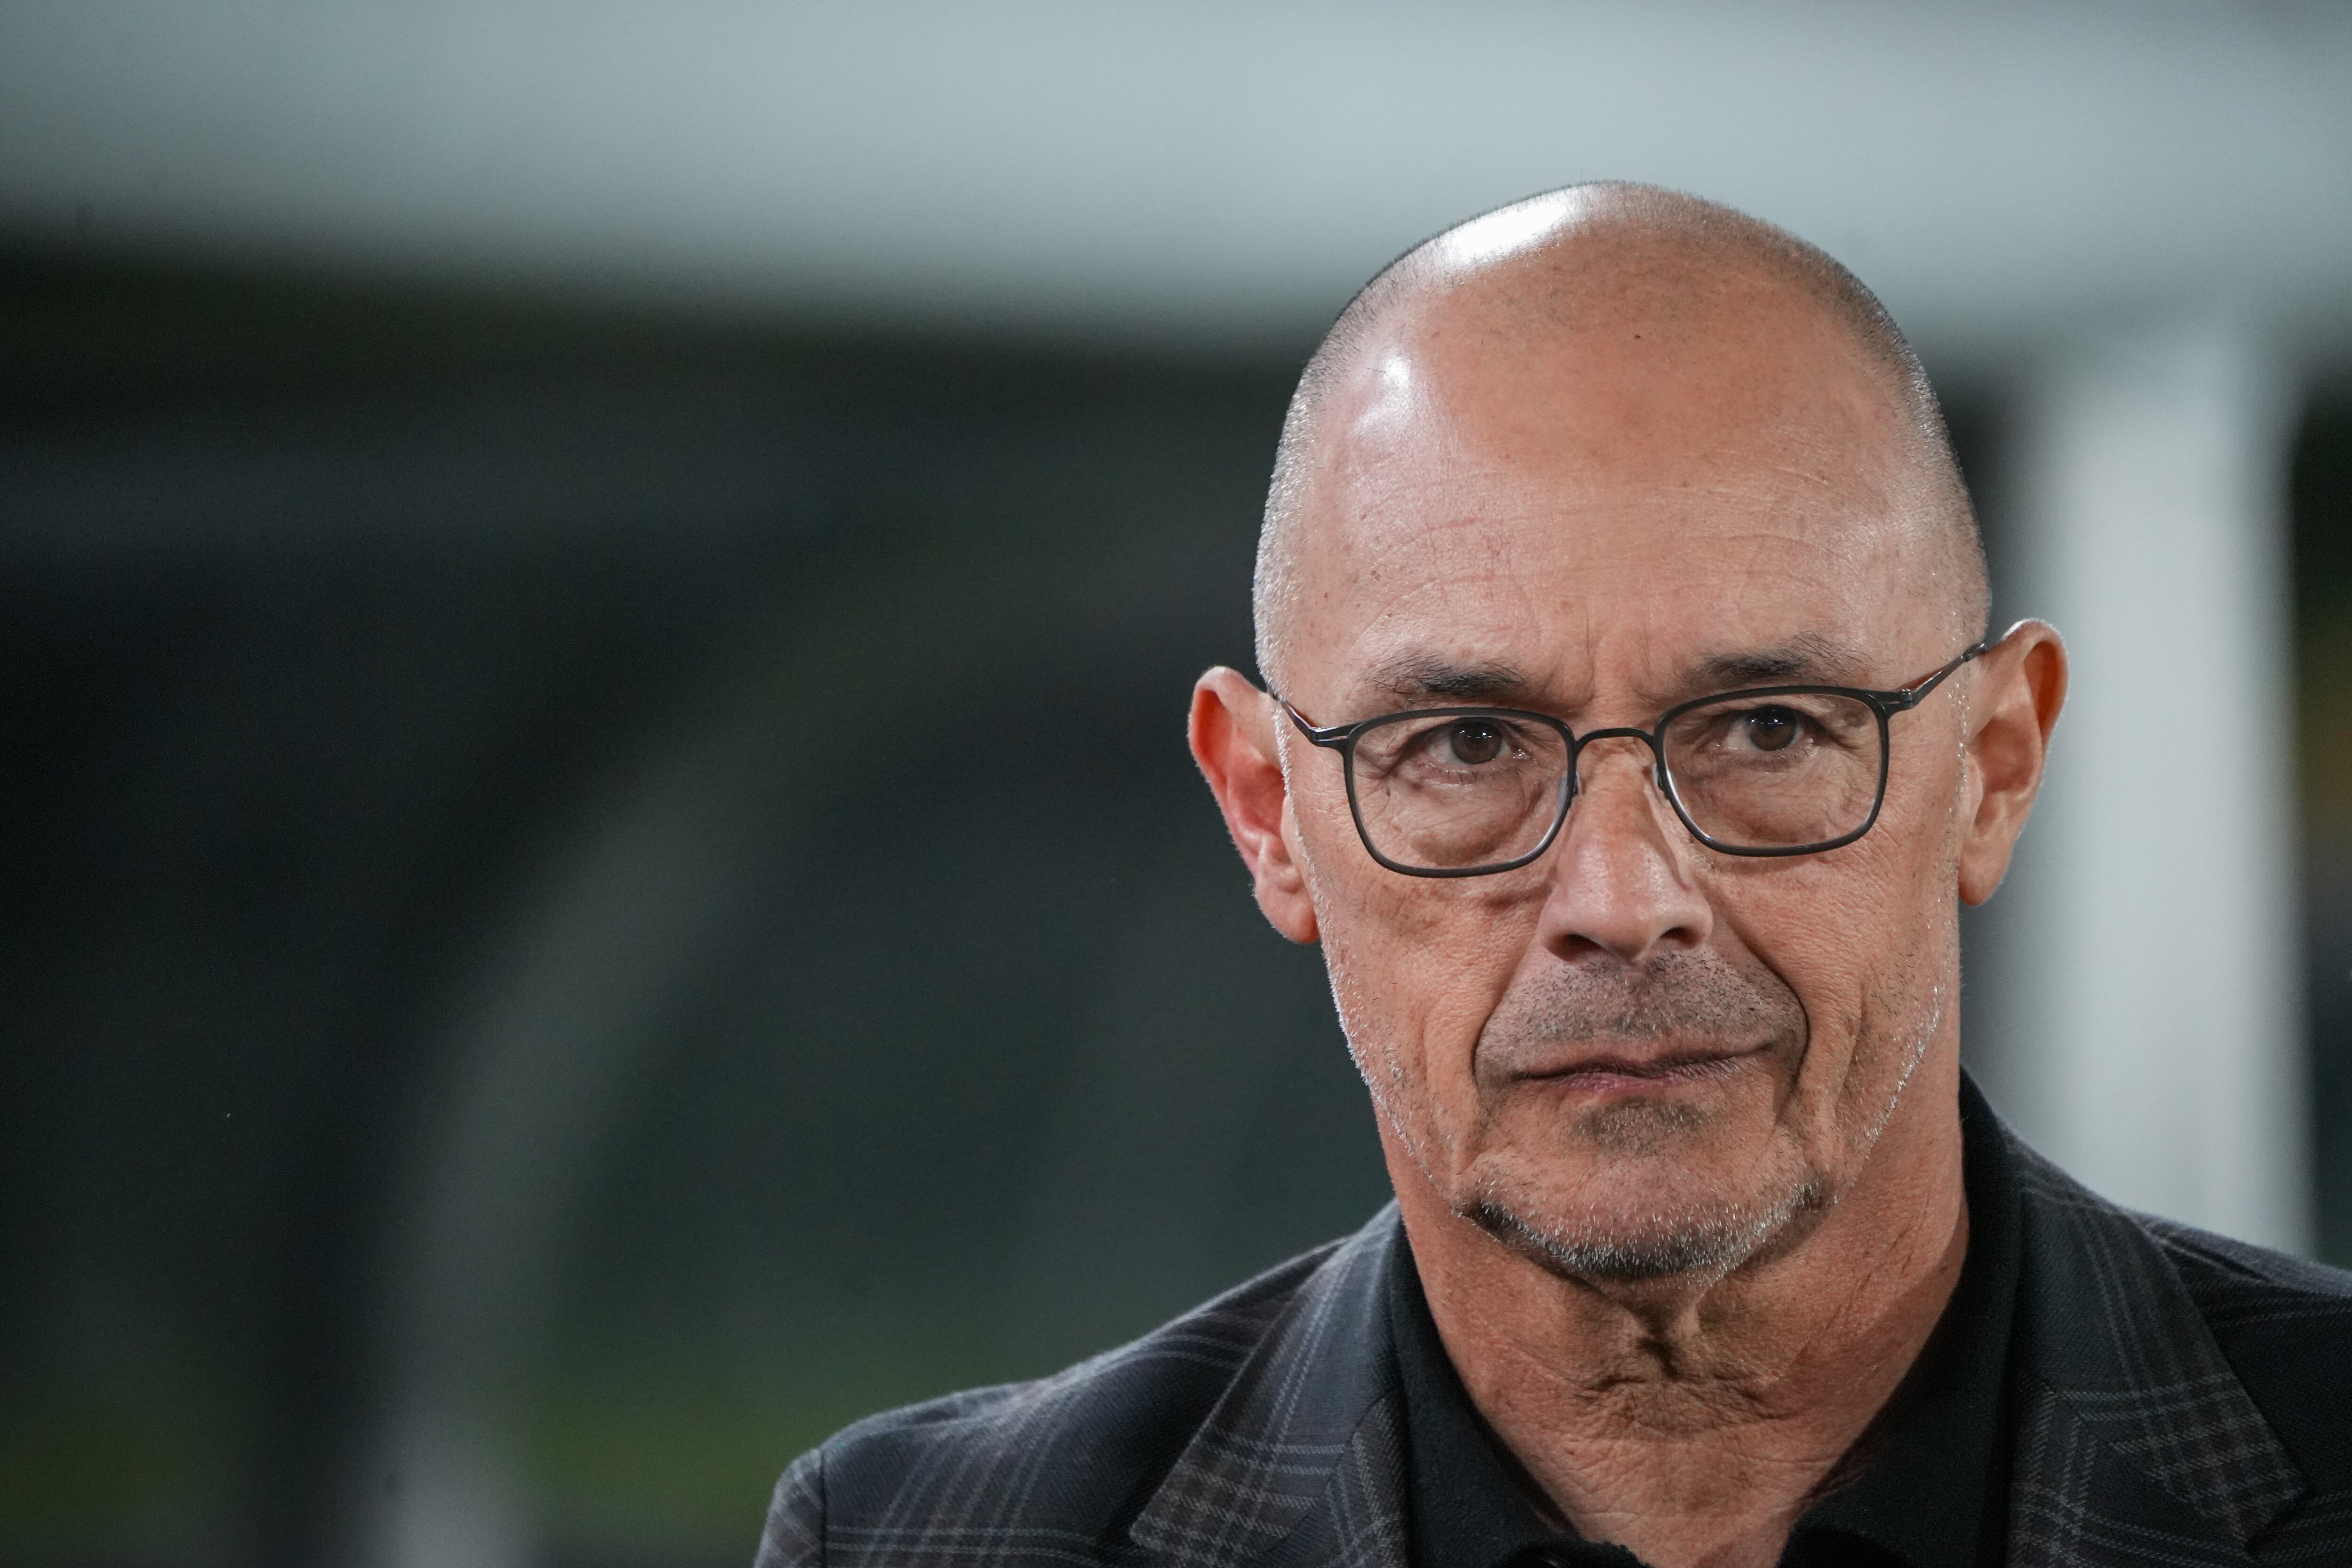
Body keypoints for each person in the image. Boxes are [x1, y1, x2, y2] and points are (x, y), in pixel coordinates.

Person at [754, 184, 2352, 1568]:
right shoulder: (924, 1545)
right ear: (1265, 810)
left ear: (1993, 771)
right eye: (1461, 747)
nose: (1618, 895)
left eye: (1769, 727)